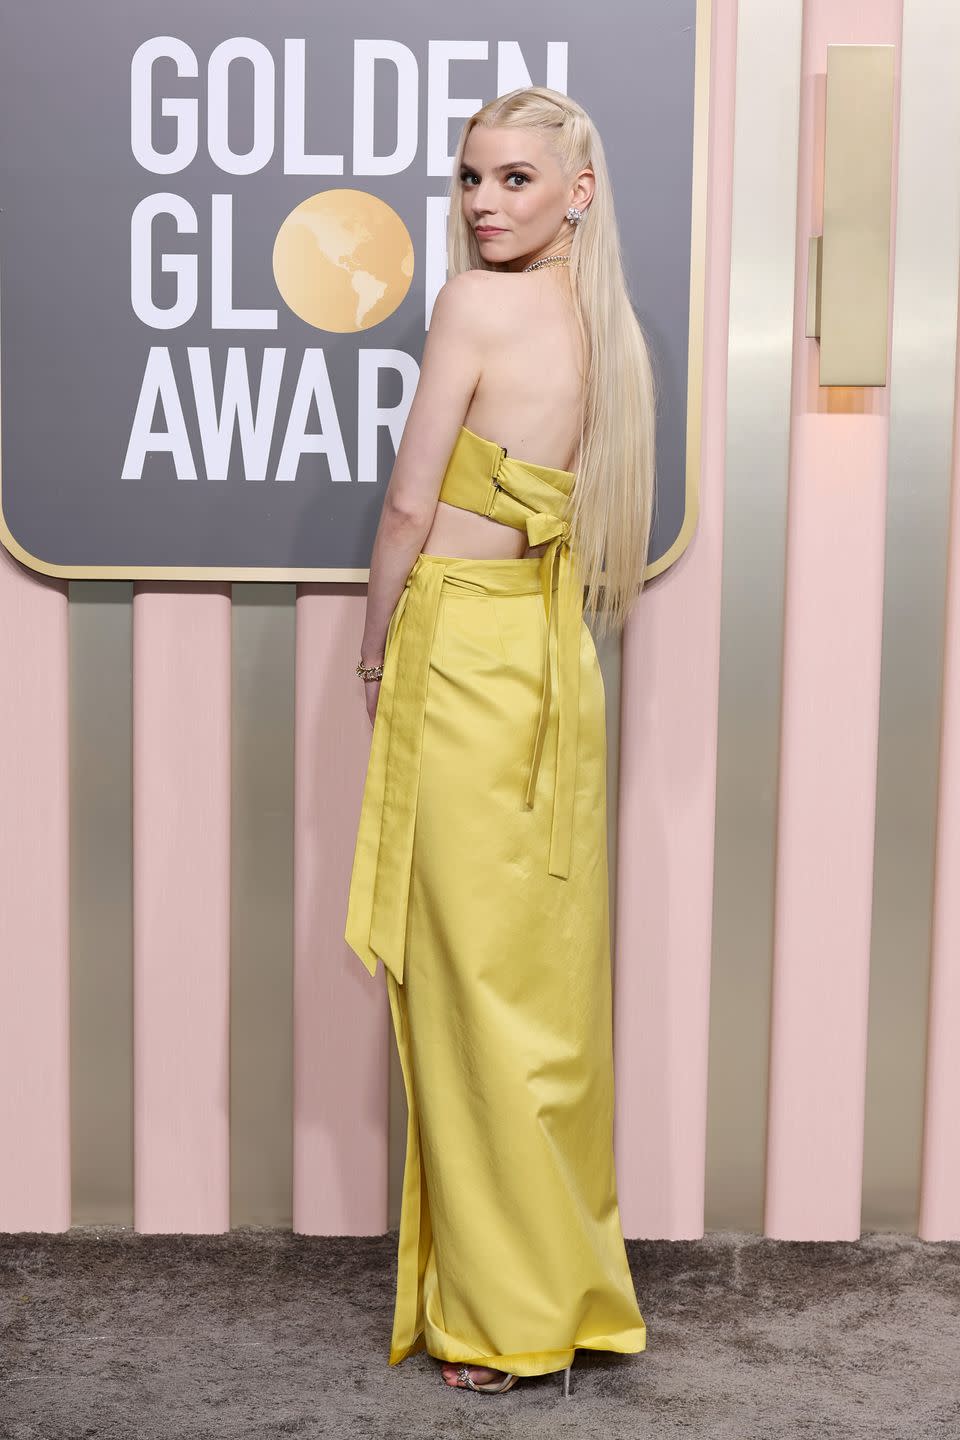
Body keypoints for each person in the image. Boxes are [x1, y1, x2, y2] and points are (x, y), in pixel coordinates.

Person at [344, 85, 657, 1399]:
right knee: (541, 1000)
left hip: (469, 652)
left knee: (477, 996)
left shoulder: (476, 305)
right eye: (471, 178)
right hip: (551, 662)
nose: (483, 204)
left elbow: (413, 498)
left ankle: (499, 1319)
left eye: (516, 181)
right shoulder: (610, 330)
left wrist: (371, 644)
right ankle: (568, 1291)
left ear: (577, 190)